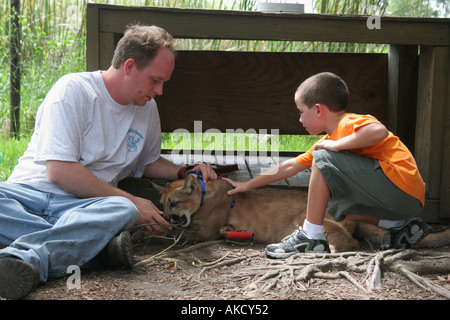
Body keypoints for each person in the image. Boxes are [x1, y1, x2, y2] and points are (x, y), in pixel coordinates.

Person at [0, 25, 216, 300]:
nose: (160, 90)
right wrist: (133, 202)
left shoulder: (146, 108)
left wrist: (184, 170)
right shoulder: (73, 90)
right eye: (155, 80)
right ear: (129, 66)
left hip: (84, 209)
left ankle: (28, 256)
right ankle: (98, 252)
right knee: (126, 206)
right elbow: (60, 172)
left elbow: (146, 161)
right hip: (27, 197)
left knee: (120, 210)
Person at [225, 72, 430, 259]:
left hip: (400, 187)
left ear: (318, 110)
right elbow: (290, 166)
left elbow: (378, 131)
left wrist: (336, 145)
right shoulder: (329, 141)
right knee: (331, 206)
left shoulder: (347, 123)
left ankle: (311, 236)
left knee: (322, 155)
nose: (299, 119)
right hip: (402, 201)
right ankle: (399, 226)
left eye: (301, 111)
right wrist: (249, 184)